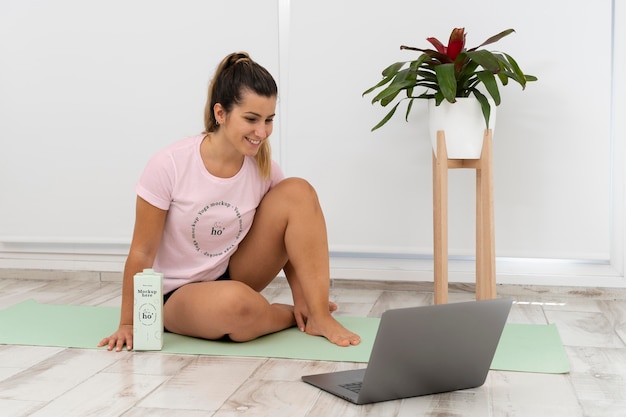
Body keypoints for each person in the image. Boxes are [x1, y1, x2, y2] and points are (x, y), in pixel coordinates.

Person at [98, 52, 361, 352]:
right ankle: (287, 316)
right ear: (220, 114)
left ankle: (317, 315)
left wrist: (305, 298)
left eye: (269, 120)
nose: (261, 132)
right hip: (177, 294)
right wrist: (129, 323)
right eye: (251, 119)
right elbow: (142, 252)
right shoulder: (169, 165)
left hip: (236, 273)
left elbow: (291, 239)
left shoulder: (263, 169)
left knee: (298, 192)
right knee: (237, 306)